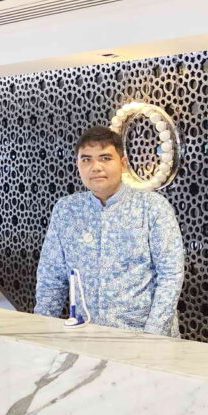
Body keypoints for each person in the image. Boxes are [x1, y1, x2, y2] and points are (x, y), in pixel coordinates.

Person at [34, 126, 184, 336]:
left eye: (105, 158)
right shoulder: (67, 210)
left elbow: (170, 275)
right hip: (85, 335)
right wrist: (41, 331)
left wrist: (153, 336)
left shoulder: (152, 207)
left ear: (123, 164)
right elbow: (51, 277)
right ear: (78, 165)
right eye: (86, 160)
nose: (96, 167)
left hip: (141, 336)